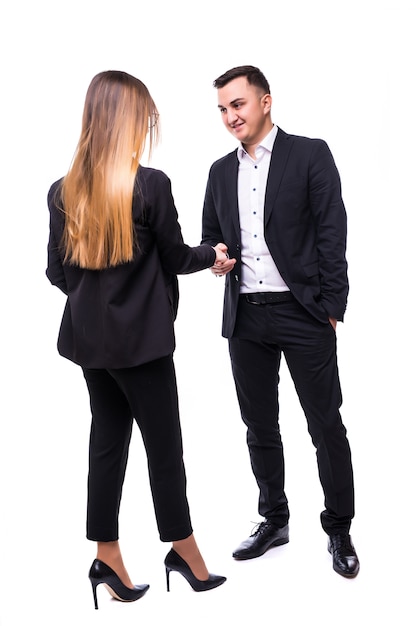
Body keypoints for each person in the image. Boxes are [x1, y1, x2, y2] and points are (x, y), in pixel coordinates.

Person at [46, 70, 227, 609]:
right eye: (145, 116)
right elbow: (175, 256)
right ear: (126, 120)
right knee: (164, 450)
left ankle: (107, 556)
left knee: (106, 447)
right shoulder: (150, 185)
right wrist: (212, 257)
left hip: (90, 347)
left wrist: (95, 295)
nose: (149, 125)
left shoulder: (63, 192)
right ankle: (184, 550)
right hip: (142, 347)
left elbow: (57, 273)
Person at [201, 65, 359, 578]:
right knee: (259, 427)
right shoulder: (220, 172)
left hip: (304, 312)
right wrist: (217, 256)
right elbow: (211, 237)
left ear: (265, 102)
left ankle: (338, 527)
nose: (231, 116)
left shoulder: (310, 154)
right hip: (246, 315)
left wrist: (333, 307)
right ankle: (275, 518)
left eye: (239, 104)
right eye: (223, 108)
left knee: (325, 424)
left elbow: (332, 232)